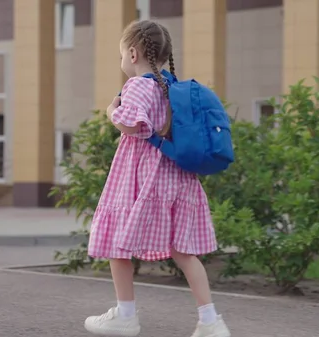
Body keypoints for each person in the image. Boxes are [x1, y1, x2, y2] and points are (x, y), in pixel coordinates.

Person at [83, 20, 231, 337]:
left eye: (122, 55)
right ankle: (211, 322)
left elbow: (132, 124)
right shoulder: (171, 87)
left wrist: (112, 111)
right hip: (176, 178)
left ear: (133, 53)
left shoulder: (138, 85)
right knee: (184, 252)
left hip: (141, 179)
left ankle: (125, 316)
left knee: (117, 245)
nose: (122, 61)